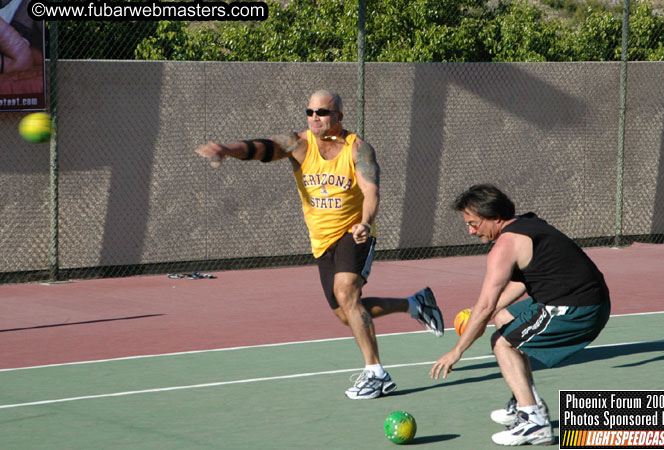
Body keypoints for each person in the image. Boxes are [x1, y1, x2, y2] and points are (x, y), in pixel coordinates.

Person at [196, 89, 444, 400]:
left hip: (353, 233)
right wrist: (226, 149)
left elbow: (371, 192)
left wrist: (365, 222)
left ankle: (376, 374)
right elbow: (264, 148)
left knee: (346, 293)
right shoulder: (299, 145)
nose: (315, 118)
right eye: (310, 112)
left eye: (322, 113)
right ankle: (415, 304)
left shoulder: (359, 151)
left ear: (339, 117)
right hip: (321, 241)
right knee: (346, 313)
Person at [430, 184, 610, 446]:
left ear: (495, 217)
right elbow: (523, 283)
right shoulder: (527, 224)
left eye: (474, 223)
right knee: (504, 318)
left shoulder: (505, 244)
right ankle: (528, 401)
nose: (470, 230)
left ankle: (534, 423)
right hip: (586, 299)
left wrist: (457, 351)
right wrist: (488, 312)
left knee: (503, 343)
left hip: (578, 308)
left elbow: (484, 305)